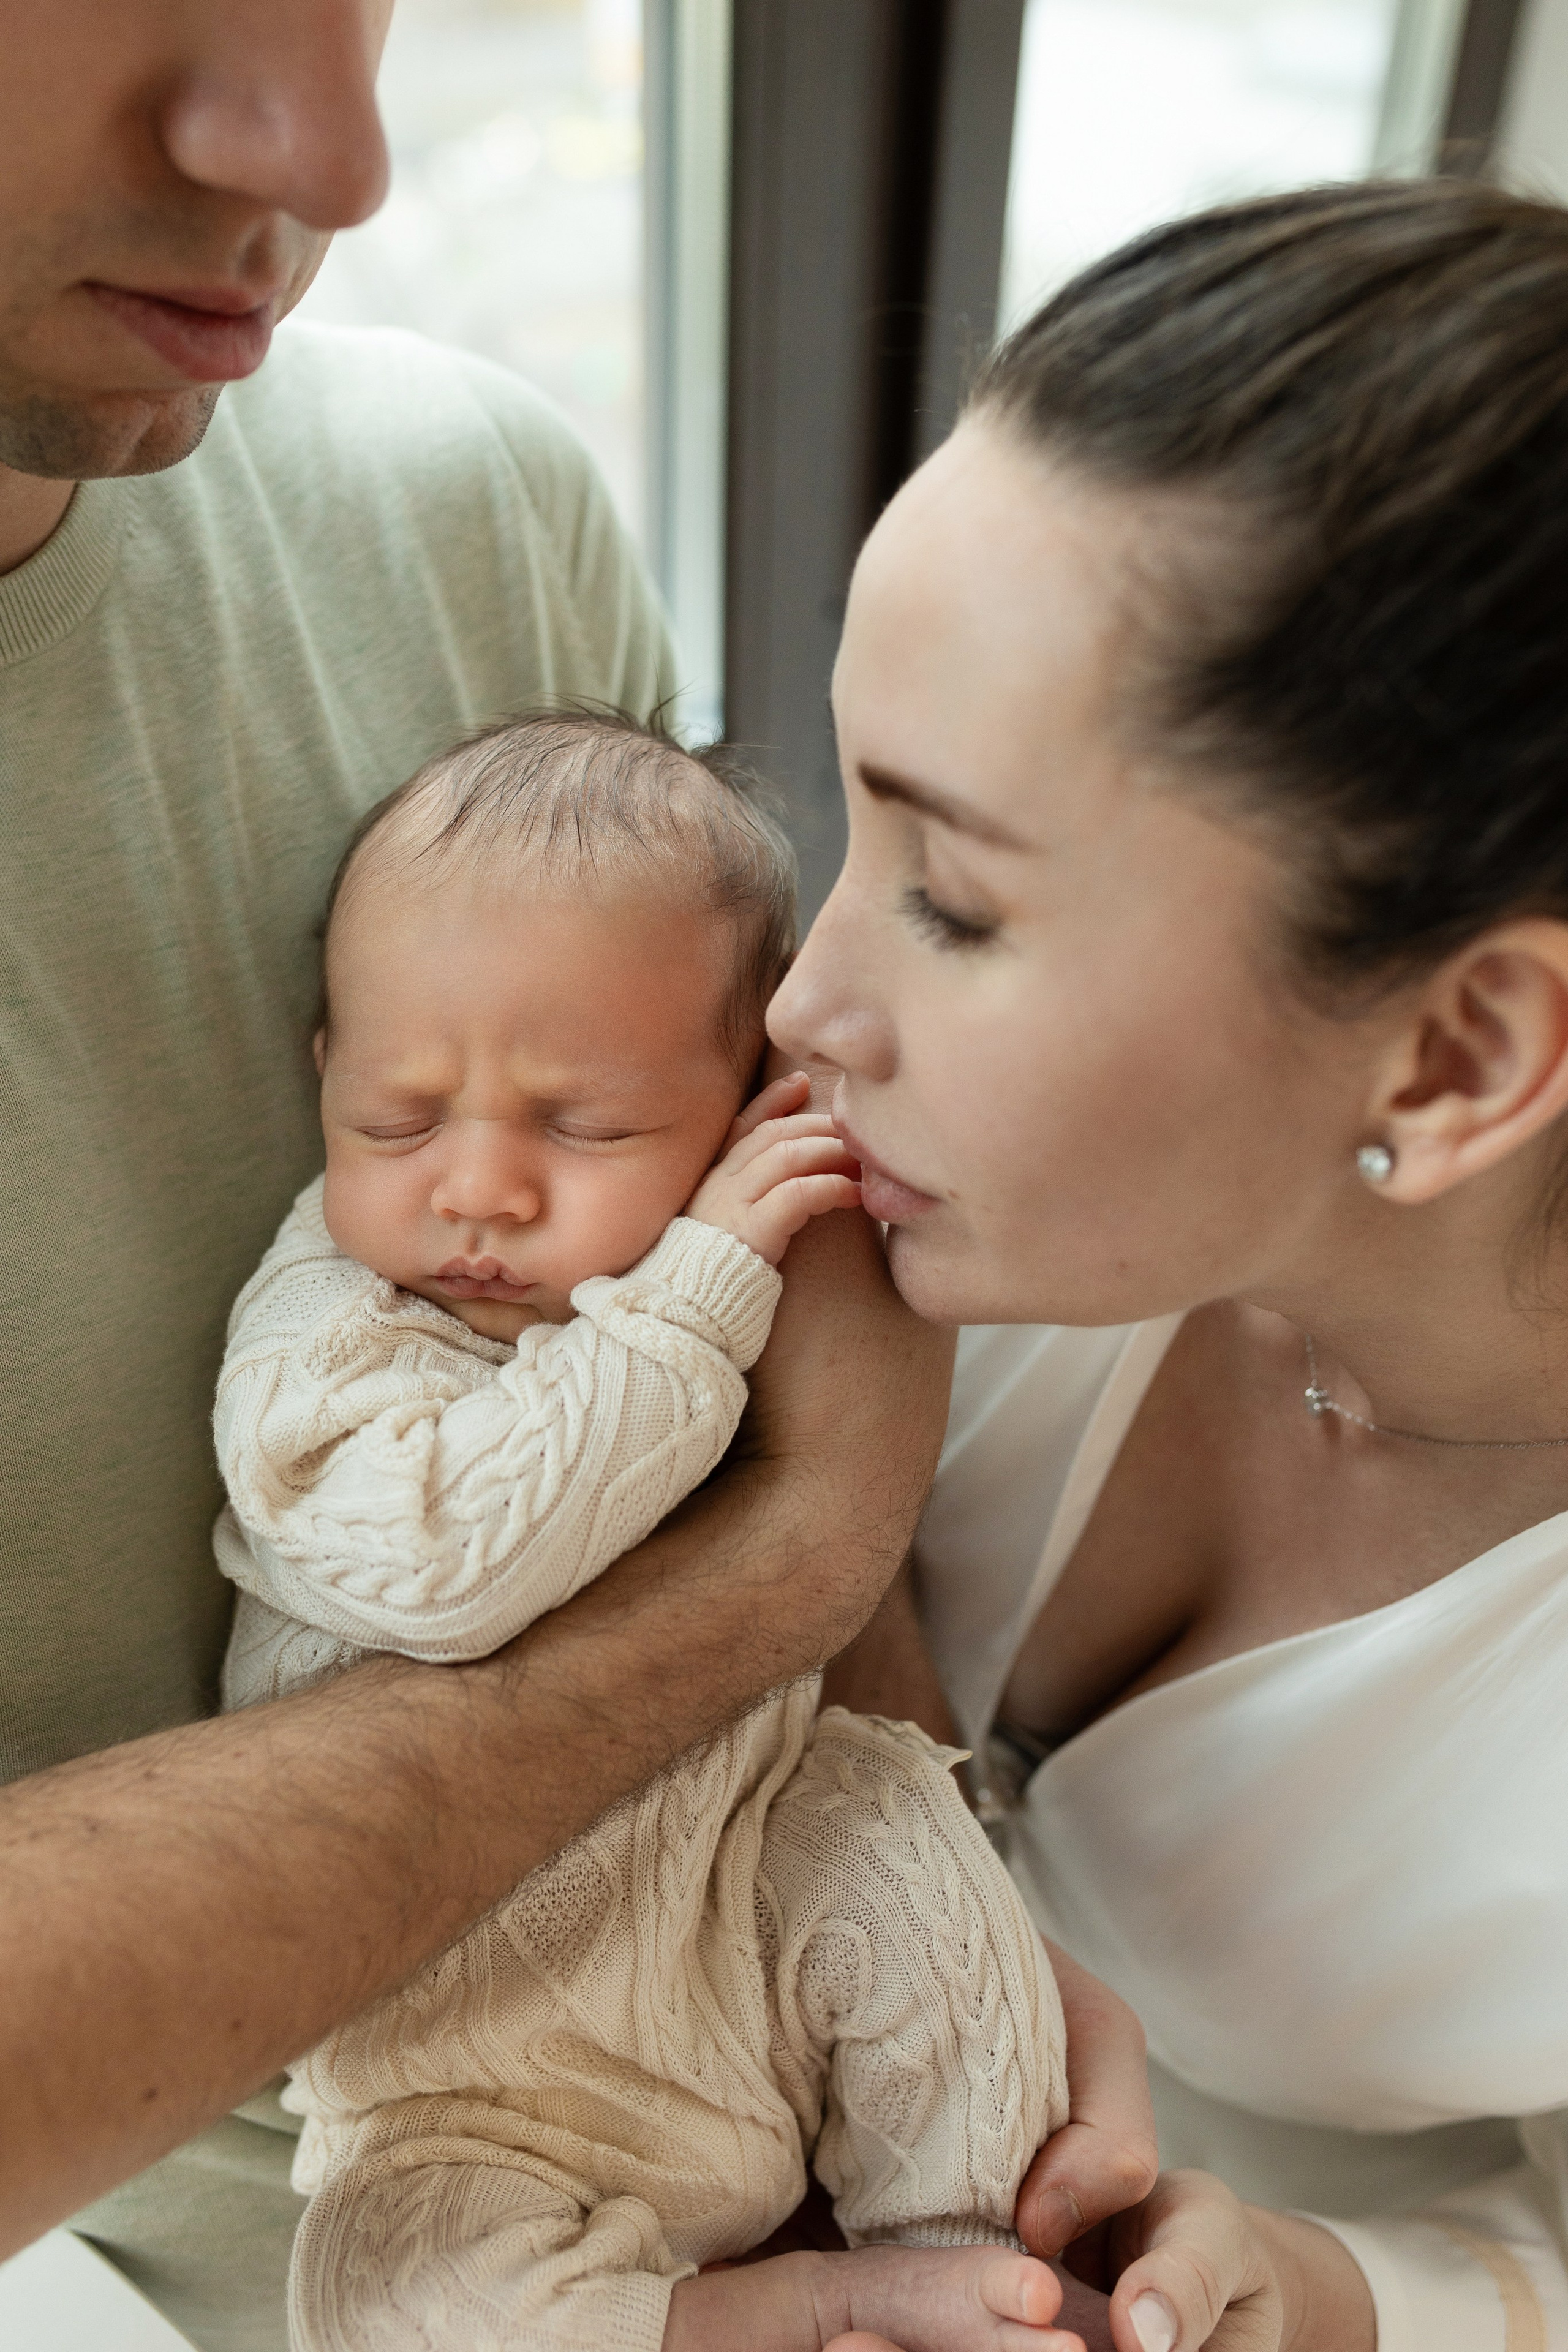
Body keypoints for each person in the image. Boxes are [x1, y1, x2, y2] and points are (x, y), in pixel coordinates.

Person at [0, 7, 1149, 2348]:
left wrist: (934, 1914)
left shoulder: (470, 513)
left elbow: (812, 1256)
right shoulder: (334, 1323)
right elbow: (752, 1483)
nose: (337, 157)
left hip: (768, 1968)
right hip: (311, 2199)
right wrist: (788, 1525)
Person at [780, 178, 1568, 2352]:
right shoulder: (897, 1182)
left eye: (954, 902)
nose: (800, 1002)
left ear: (1461, 1052)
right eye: (852, 816)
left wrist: (1328, 2294)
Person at [214, 707, 1069, 2352]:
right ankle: (804, 2311)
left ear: (746, 1105)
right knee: (386, 2294)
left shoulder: (753, 1276)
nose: (478, 1190)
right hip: (460, 2091)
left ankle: (964, 2256)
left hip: (748, 1930)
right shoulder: (328, 1330)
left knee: (896, 1829)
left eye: (584, 1127)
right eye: (398, 1118)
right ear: (325, 1071)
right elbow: (442, 1565)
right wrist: (688, 1297)